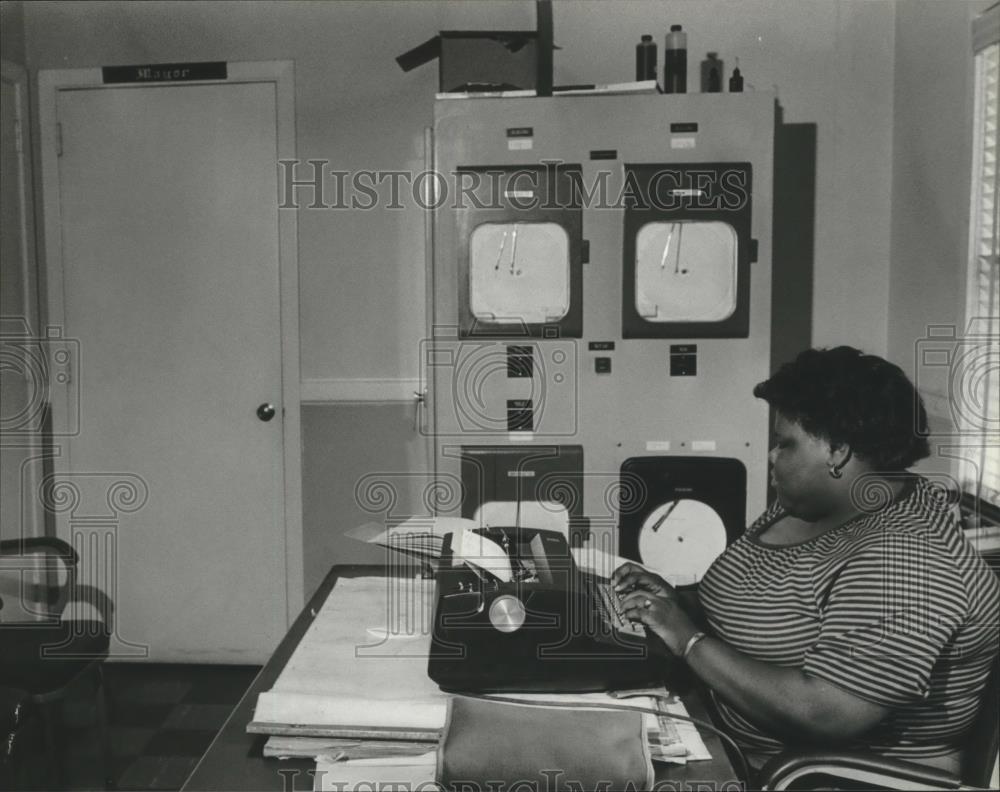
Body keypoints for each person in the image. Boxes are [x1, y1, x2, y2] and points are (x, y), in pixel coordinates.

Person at [613, 346, 1000, 775]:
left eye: (785, 444)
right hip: (719, 730)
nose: (772, 457)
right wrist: (678, 603)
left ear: (837, 451)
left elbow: (826, 713)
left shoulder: (908, 561)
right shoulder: (817, 505)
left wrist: (687, 639)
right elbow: (755, 597)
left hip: (812, 778)